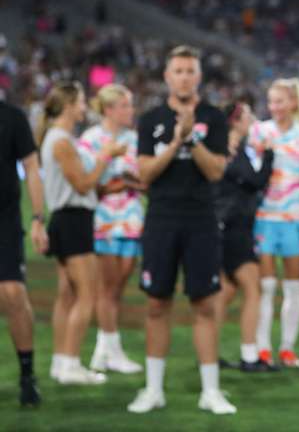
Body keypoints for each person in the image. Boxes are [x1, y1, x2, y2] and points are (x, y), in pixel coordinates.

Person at [128, 45, 235, 415]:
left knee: (204, 304)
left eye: (191, 70)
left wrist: (192, 138)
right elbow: (145, 173)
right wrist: (176, 139)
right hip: (161, 218)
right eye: (178, 70)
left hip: (201, 219)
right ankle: (153, 389)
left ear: (199, 76)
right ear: (166, 76)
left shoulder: (215, 118)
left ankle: (211, 391)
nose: (185, 76)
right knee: (157, 303)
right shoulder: (151, 119)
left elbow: (217, 171)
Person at [39, 81, 126, 385]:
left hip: (68, 218)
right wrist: (107, 155)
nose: (84, 107)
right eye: (80, 102)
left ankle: (60, 363)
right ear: (68, 106)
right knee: (86, 295)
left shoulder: (58, 138)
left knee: (67, 296)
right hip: (74, 220)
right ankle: (72, 365)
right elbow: (82, 184)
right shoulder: (61, 141)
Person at [249, 78, 299, 368]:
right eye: (271, 101)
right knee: (265, 287)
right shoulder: (259, 132)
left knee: (292, 287)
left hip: (296, 218)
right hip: (265, 216)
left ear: (293, 102)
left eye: (280, 101)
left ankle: (287, 347)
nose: (274, 107)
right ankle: (263, 348)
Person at [79, 84, 145, 374]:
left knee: (117, 288)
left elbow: (144, 180)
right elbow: (88, 182)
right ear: (109, 109)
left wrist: (126, 182)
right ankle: (112, 352)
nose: (130, 111)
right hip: (103, 219)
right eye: (125, 106)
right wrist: (122, 181)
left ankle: (102, 351)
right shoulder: (91, 139)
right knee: (106, 288)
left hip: (131, 217)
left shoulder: (134, 139)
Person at [212, 101, 277, 372]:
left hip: (226, 225)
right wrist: (271, 155)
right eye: (248, 115)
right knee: (253, 289)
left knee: (226, 291)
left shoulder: (228, 147)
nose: (252, 119)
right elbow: (254, 179)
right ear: (235, 120)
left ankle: (210, 352)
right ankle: (249, 356)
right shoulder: (230, 148)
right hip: (233, 225)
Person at [0, 96, 48, 405]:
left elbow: (31, 166)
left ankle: (27, 375)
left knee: (13, 293)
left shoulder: (12, 117)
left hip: (4, 220)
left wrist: (38, 219)